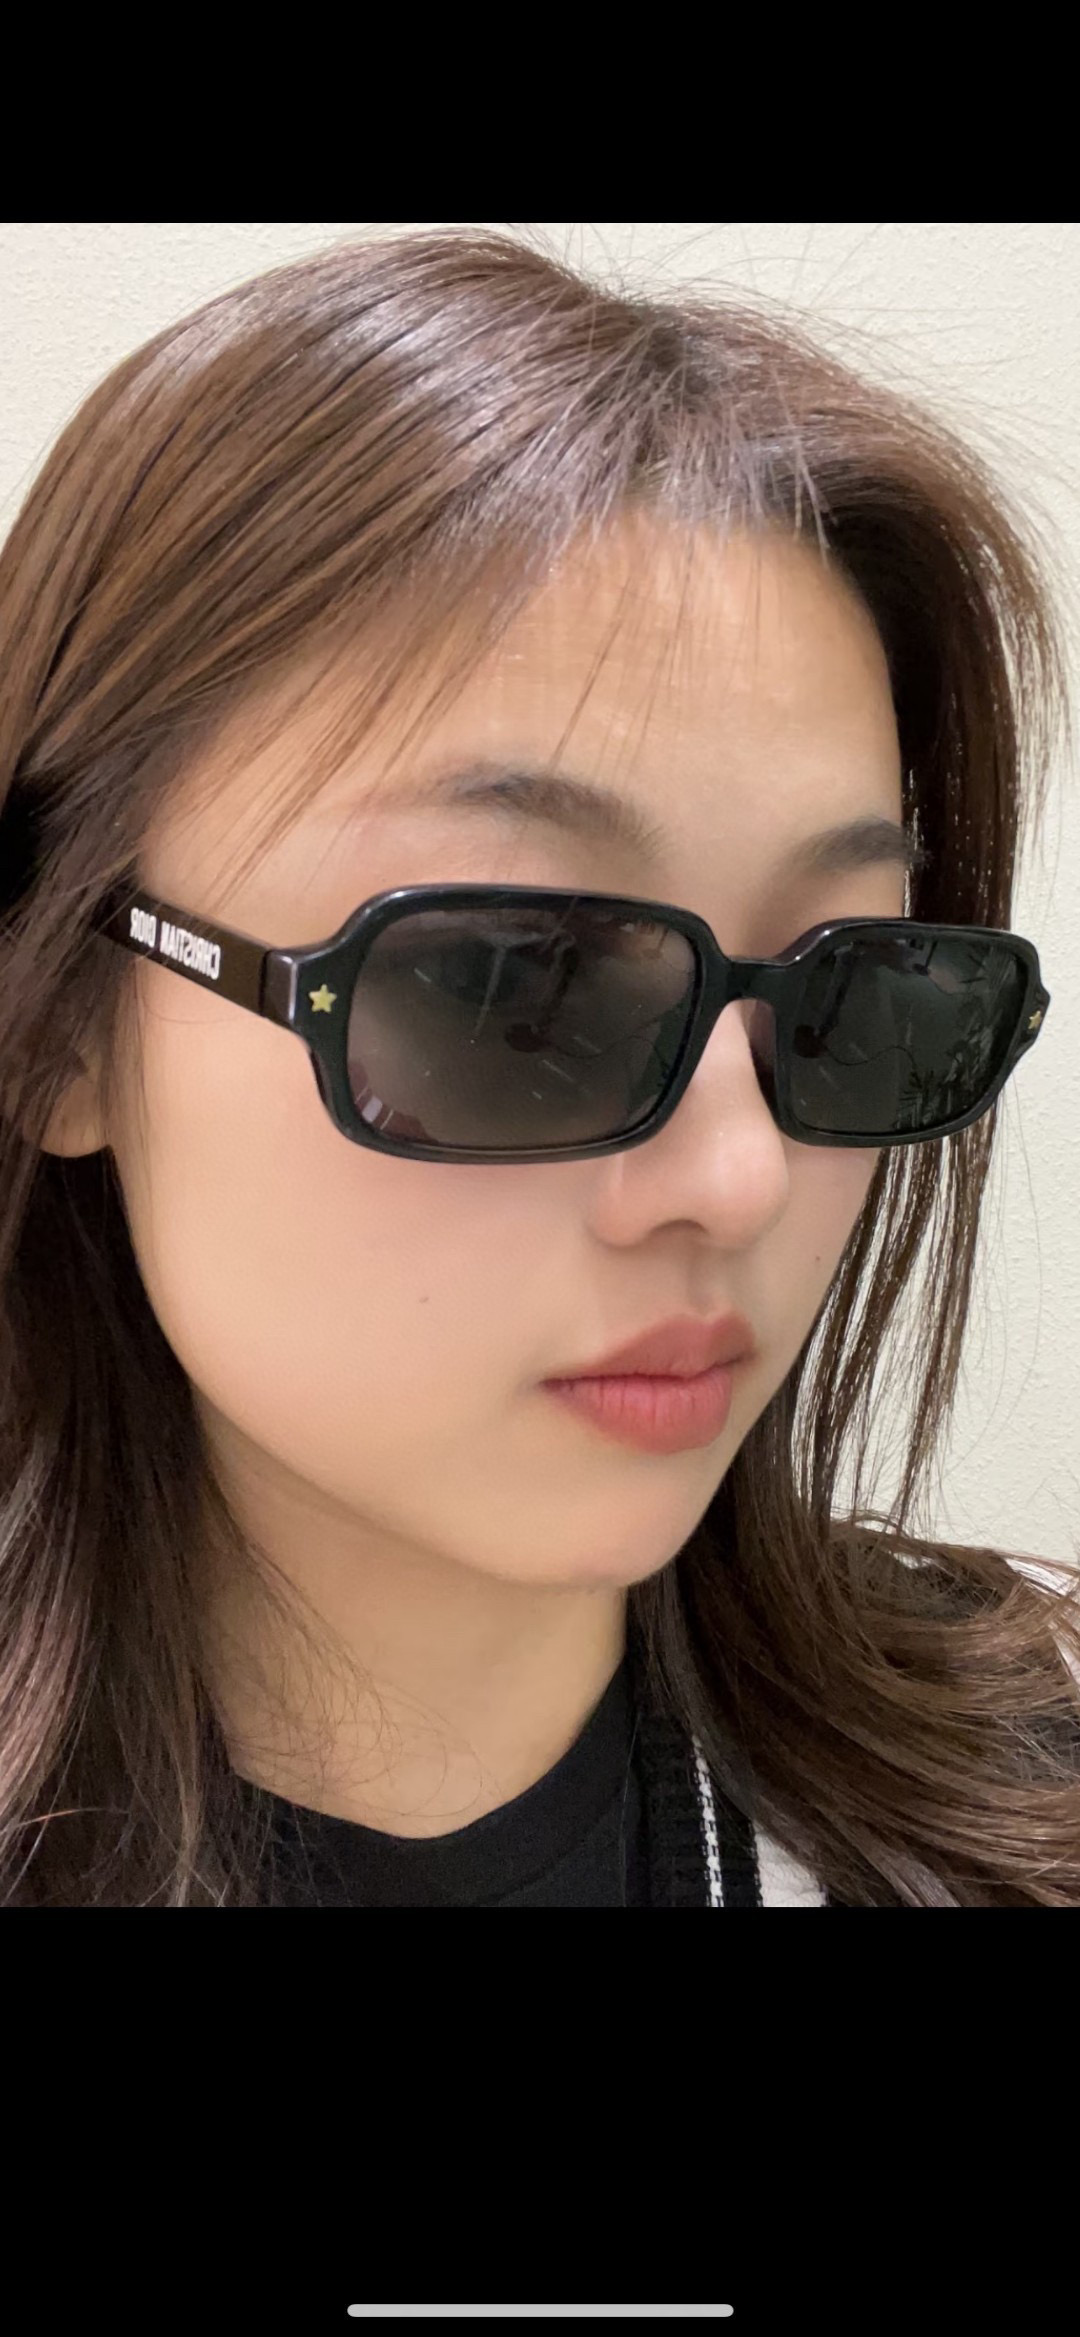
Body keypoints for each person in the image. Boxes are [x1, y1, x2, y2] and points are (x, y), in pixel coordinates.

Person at [1, 227, 1077, 1909]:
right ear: (65, 1012)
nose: (739, 1175)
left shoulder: (1034, 1790)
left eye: (843, 992)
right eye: (515, 986)